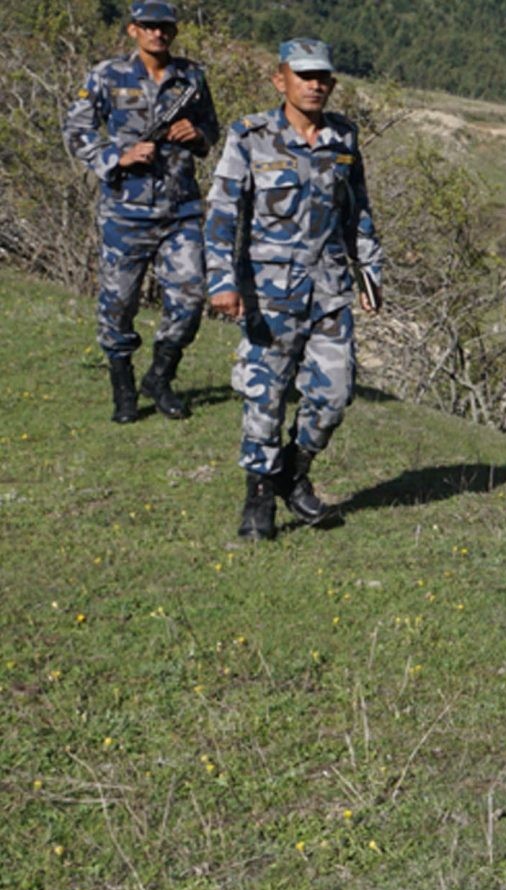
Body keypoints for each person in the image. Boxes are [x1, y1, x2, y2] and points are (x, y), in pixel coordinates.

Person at [204, 38, 383, 541]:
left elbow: (358, 211)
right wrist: (221, 281)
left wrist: (370, 271)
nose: (314, 85)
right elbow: (222, 213)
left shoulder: (343, 137)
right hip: (268, 294)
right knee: (265, 397)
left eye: (323, 76)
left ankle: (293, 472)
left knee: (334, 393)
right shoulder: (250, 135)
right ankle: (259, 496)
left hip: (329, 290)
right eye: (303, 75)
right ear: (280, 79)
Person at [61, 1, 219, 424]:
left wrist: (197, 134)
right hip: (124, 211)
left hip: (180, 210)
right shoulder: (106, 75)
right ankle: (124, 388)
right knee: (119, 304)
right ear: (133, 30)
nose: (158, 34)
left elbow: (212, 130)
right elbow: (75, 130)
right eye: (149, 27)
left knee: (189, 299)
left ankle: (160, 377)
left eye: (165, 27)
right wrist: (118, 155)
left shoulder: (191, 77)